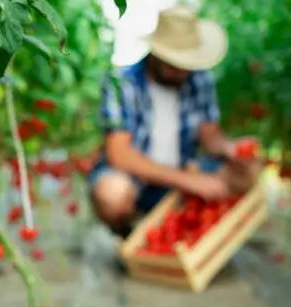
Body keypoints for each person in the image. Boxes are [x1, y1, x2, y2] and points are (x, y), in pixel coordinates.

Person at [89, 6, 261, 239]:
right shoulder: (121, 83)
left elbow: (210, 135)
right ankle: (130, 232)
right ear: (156, 53)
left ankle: (196, 229)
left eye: (186, 64)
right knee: (111, 194)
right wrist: (189, 180)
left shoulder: (198, 79)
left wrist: (229, 148)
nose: (182, 71)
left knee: (249, 171)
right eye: (174, 64)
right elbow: (119, 154)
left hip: (183, 173)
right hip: (137, 182)